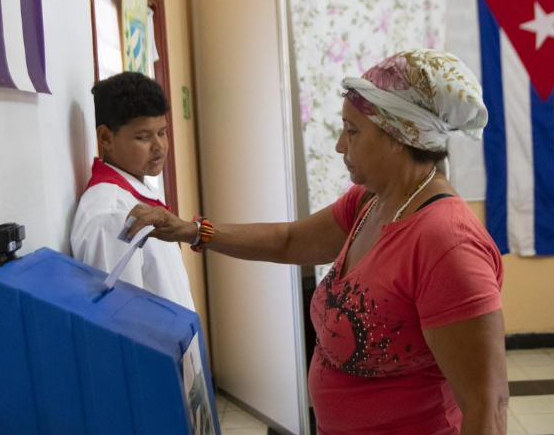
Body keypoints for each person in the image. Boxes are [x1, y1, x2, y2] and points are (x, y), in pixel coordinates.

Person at [125, 50, 507, 434]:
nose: (341, 145)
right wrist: (192, 231)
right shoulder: (371, 201)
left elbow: (486, 407)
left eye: (352, 131)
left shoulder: (447, 244)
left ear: (399, 135)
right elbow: (289, 241)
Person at [70, 71, 195, 311]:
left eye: (162, 132)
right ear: (106, 138)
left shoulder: (139, 193)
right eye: (143, 137)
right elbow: (120, 319)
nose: (159, 147)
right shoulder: (111, 214)